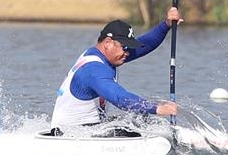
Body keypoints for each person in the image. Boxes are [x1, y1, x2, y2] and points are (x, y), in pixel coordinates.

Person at [49, 7, 182, 136]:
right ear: (108, 43)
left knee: (142, 120)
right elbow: (120, 98)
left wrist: (166, 25)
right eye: (124, 48)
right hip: (68, 134)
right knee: (134, 127)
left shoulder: (105, 55)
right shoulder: (94, 69)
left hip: (89, 128)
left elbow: (145, 44)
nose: (127, 53)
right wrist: (157, 108)